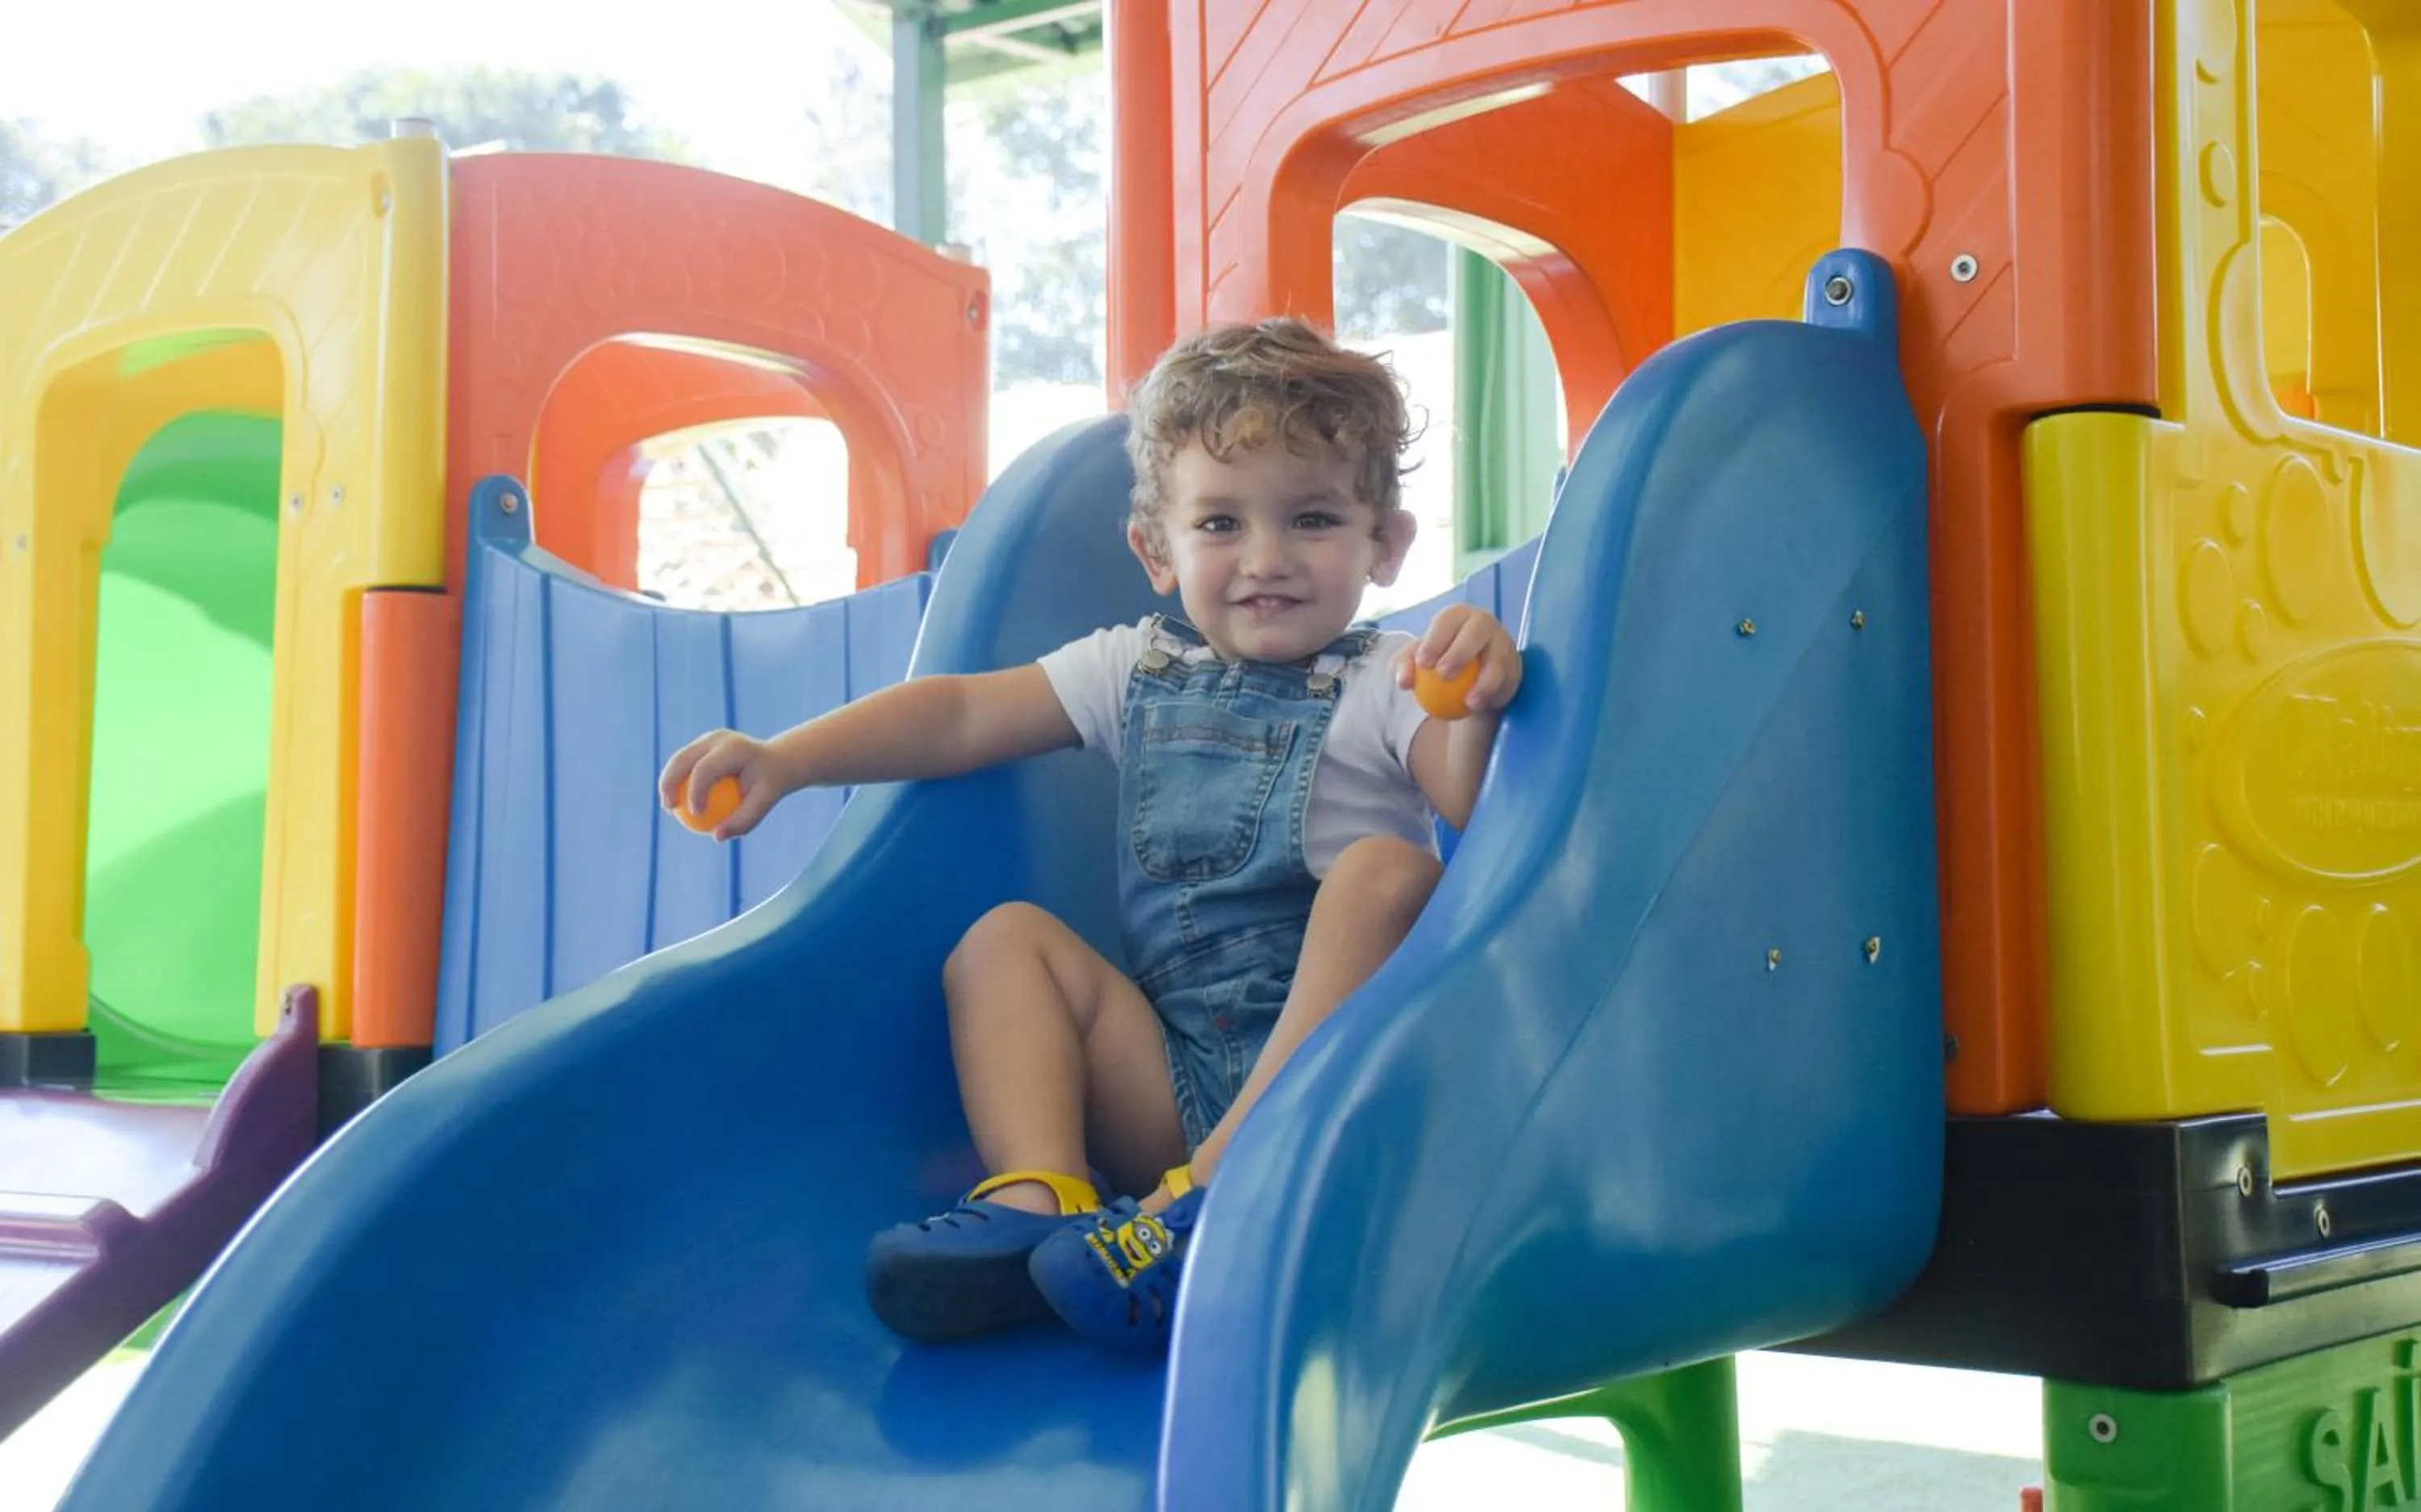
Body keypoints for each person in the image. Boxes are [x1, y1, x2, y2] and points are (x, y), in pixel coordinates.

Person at [658, 317, 1522, 1351]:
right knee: (1006, 939)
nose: (1266, 559)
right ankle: (1043, 1206)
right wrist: (789, 759)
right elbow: (963, 715)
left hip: (1339, 1093)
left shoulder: (1392, 677)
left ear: (1384, 545)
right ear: (1155, 550)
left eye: (1314, 518)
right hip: (1173, 1086)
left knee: (1389, 871)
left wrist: (1472, 700)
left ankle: (1216, 1197)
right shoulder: (1133, 666)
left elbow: (1479, 807)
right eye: (1220, 525)